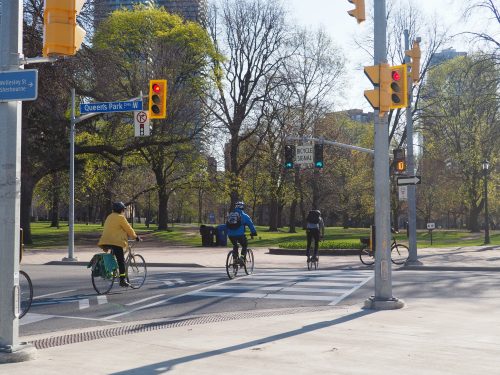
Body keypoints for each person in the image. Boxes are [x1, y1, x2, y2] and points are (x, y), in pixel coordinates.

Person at [98, 202, 141, 287]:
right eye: (123, 210)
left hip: (105, 241)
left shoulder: (109, 216)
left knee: (114, 256)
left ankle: (112, 272)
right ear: (121, 210)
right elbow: (128, 228)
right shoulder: (121, 218)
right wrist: (135, 237)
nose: (123, 211)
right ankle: (122, 280)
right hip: (116, 242)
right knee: (121, 261)